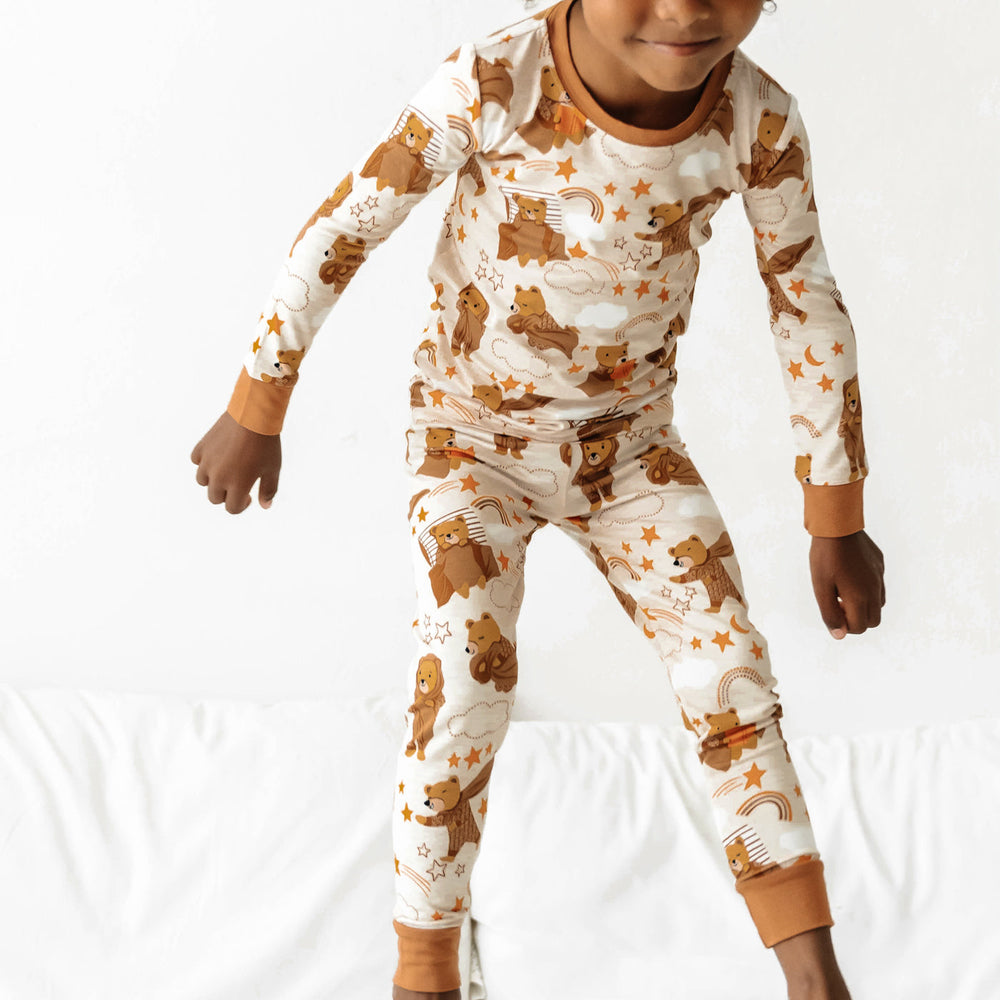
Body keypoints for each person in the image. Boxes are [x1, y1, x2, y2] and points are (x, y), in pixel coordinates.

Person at [190, 1, 885, 997]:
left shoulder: (756, 118)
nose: (689, 10)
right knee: (465, 680)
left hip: (630, 455)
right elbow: (353, 219)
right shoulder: (495, 78)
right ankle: (425, 971)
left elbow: (803, 299)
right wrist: (258, 397)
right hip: (471, 446)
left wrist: (837, 514)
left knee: (730, 670)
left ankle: (815, 977)